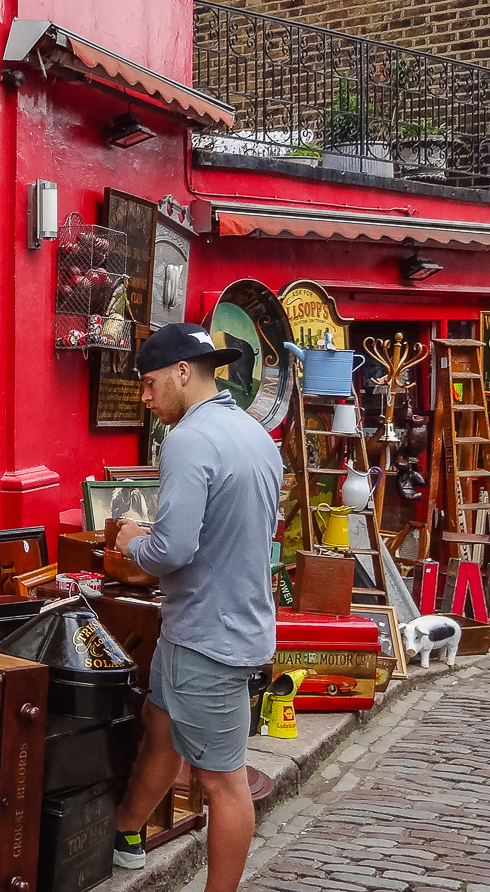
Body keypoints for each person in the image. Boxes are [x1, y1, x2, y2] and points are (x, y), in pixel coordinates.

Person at [109, 322, 282, 889]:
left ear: (183, 372)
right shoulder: (253, 432)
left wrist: (130, 536)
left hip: (208, 635)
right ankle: (128, 831)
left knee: (221, 781)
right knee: (159, 725)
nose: (145, 395)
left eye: (150, 382)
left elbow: (171, 550)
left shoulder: (186, 438)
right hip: (227, 621)